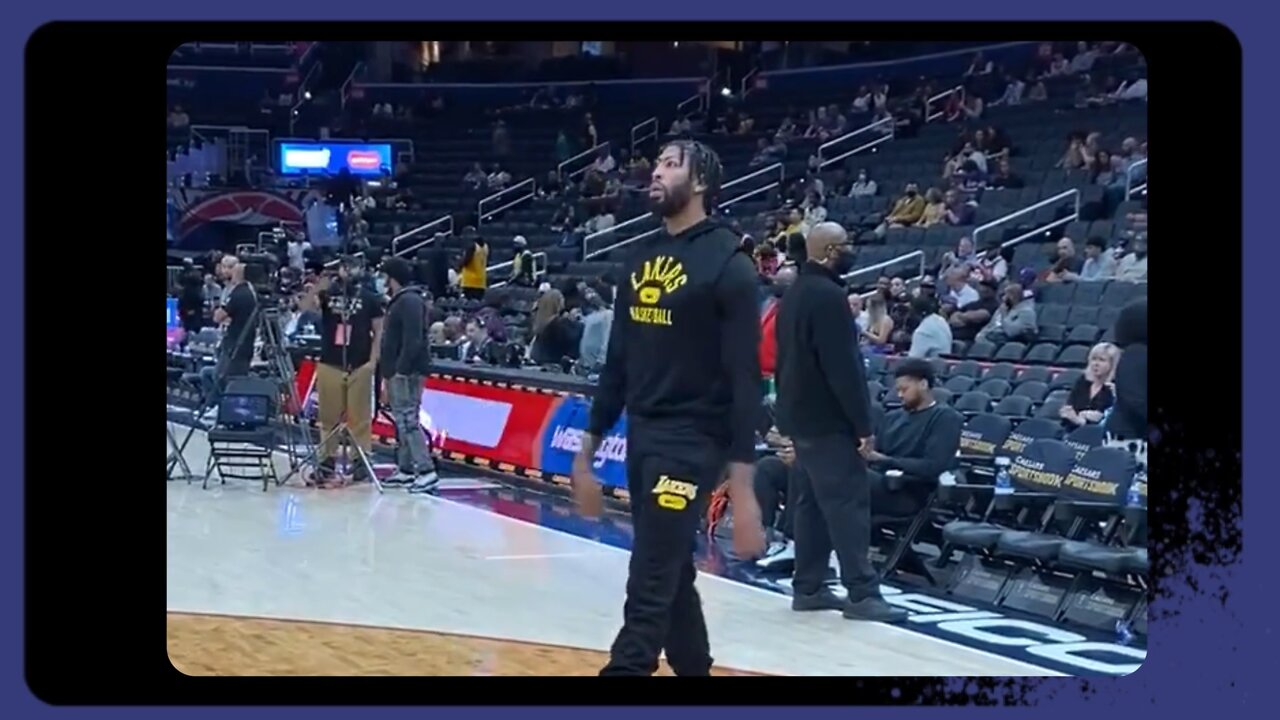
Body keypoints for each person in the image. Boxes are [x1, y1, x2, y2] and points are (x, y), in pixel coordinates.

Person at [569, 139, 766, 676]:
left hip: (695, 440)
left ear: (699, 180)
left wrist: (744, 489)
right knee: (672, 564)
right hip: (645, 435)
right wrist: (586, 451)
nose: (655, 172)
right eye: (656, 163)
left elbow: (747, 379)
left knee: (651, 572)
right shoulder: (641, 257)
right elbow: (617, 364)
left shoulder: (731, 263)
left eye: (670, 165)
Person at [774, 221, 907, 623]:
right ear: (830, 252)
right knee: (847, 504)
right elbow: (844, 370)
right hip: (829, 420)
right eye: (846, 244)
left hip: (799, 416)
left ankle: (809, 586)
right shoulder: (829, 296)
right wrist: (863, 426)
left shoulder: (793, 294)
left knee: (810, 505)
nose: (851, 249)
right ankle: (863, 593)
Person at [311, 259, 384, 484]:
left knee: (360, 418)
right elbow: (306, 305)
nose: (348, 271)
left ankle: (361, 460)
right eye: (344, 266)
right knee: (328, 417)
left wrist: (373, 362)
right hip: (330, 362)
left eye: (352, 267)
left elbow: (379, 331)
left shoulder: (371, 298)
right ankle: (327, 460)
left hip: (359, 364)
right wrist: (320, 281)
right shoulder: (327, 293)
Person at [861, 359, 964, 516]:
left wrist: (885, 460)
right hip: (882, 481)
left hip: (909, 492)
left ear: (923, 385)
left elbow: (934, 466)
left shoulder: (945, 418)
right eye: (898, 390)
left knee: (849, 478)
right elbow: (876, 454)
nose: (900, 395)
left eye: (905, 389)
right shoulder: (892, 417)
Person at [377, 257, 439, 493]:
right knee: (402, 420)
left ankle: (426, 470)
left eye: (384, 276)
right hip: (399, 370)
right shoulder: (401, 301)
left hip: (408, 372)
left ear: (392, 277)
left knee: (408, 420)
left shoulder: (410, 301)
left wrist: (401, 369)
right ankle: (405, 469)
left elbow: (414, 339)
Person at [1061, 342, 1119, 426]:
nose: (1096, 364)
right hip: (1071, 429)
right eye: (1094, 359)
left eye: (1102, 360)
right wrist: (1068, 413)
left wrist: (1080, 420)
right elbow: (1070, 405)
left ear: (1112, 364)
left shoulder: (1114, 388)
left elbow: (1106, 417)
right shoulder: (1082, 381)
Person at [458, 233, 489, 300]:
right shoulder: (486, 247)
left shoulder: (472, 247)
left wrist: (459, 264)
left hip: (470, 281)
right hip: (481, 281)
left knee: (469, 303)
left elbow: (466, 261)